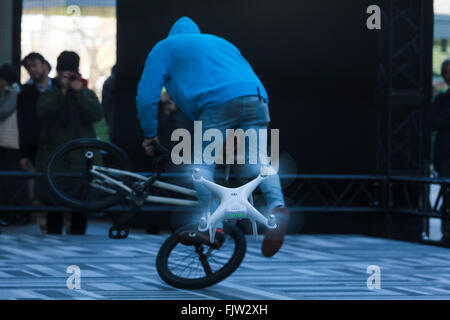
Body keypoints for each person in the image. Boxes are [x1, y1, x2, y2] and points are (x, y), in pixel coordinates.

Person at [136, 17, 294, 257]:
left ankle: (213, 226)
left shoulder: (165, 47)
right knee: (258, 159)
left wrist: (150, 133)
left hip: (218, 102)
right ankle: (276, 206)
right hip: (256, 96)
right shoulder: (220, 43)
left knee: (201, 161)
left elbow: (146, 95)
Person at [34, 51, 103, 234]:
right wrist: (62, 92)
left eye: (70, 73)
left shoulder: (85, 93)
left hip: (81, 159)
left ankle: (78, 238)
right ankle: (53, 238)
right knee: (53, 205)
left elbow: (96, 114)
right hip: (55, 159)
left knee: (81, 206)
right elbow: (42, 112)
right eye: (63, 73)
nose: (66, 77)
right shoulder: (50, 93)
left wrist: (78, 92)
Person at [0, 64, 23, 224]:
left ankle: (12, 213)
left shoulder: (13, 92)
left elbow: (3, 112)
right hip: (7, 139)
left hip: (9, 140)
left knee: (9, 178)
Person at [430, 59, 450, 242]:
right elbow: (434, 121)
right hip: (446, 153)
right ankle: (447, 233)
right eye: (446, 72)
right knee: (447, 192)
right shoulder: (441, 99)